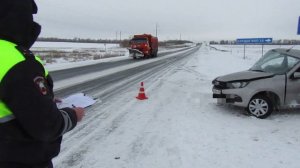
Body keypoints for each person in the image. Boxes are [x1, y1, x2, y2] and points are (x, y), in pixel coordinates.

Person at [0, 0, 85, 167]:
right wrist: (73, 115)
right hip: (17, 159)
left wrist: (42, 99)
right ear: (19, 19)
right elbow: (47, 125)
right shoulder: (16, 61)